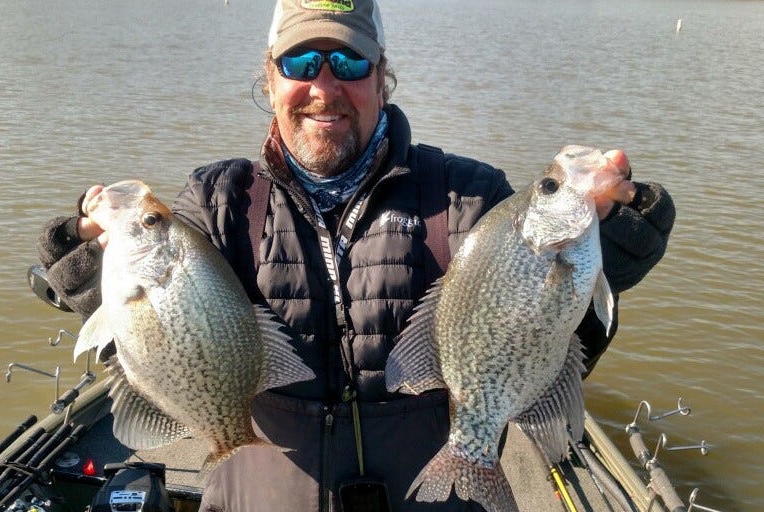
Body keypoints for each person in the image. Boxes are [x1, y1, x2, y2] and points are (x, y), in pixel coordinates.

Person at [36, 1, 675, 510]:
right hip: (255, 489)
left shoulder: (470, 194)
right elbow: (154, 337)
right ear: (269, 76)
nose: (323, 86)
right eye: (301, 62)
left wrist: (612, 248)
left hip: (437, 493)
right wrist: (85, 271)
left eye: (347, 63)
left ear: (381, 75)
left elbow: (554, 339)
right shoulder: (217, 199)